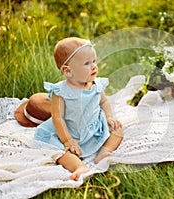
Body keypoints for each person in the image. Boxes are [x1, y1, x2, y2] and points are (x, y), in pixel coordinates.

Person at [34, 37, 123, 181]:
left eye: (94, 61)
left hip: (94, 129)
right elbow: (58, 117)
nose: (94, 66)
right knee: (58, 151)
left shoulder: (96, 84)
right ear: (68, 71)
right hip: (68, 132)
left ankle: (104, 152)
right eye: (87, 63)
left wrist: (109, 117)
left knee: (118, 129)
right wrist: (68, 139)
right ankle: (78, 166)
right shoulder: (61, 91)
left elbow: (104, 102)